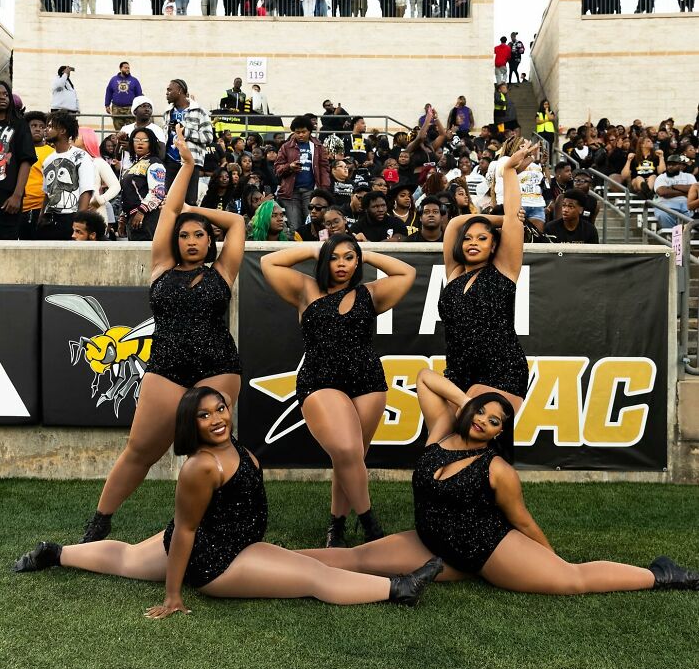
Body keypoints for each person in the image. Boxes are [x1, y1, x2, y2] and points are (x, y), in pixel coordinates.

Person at [15, 386, 443, 612]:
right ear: (192, 424)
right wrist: (172, 595)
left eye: (220, 409)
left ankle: (56, 553)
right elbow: (185, 531)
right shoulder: (201, 467)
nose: (217, 419)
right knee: (313, 576)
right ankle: (399, 589)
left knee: (126, 558)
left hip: (233, 543)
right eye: (204, 415)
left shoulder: (234, 446)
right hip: (217, 563)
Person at [298, 370, 699, 595]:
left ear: (498, 433)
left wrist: (550, 558)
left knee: (572, 580)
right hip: (430, 542)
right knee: (357, 558)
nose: (482, 421)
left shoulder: (497, 468)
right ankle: (285, 561)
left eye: (493, 421)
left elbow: (521, 520)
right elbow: (426, 378)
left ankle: (662, 575)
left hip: (485, 551)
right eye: (480, 413)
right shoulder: (440, 434)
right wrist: (468, 401)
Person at [76, 126, 246, 543]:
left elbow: (237, 222)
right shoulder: (161, 267)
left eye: (199, 235)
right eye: (184, 235)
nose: (191, 240)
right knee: (141, 449)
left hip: (218, 366)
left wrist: (195, 210)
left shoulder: (223, 271)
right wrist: (186, 166)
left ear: (209, 241)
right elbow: (168, 213)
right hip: (166, 365)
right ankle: (100, 521)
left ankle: (218, 526)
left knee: (212, 452)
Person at [261, 236, 416, 546]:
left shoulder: (370, 293)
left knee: (352, 457)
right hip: (320, 380)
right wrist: (314, 249)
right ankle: (371, 527)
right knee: (345, 450)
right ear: (324, 261)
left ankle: (337, 526)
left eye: (348, 257)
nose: (341, 264)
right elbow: (268, 262)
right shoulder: (306, 289)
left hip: (367, 381)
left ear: (357, 262)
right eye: (334, 257)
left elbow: (407, 273)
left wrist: (365, 253)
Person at [439, 137, 535, 413]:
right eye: (468, 238)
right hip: (458, 373)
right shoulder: (454, 274)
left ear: (494, 246)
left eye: (482, 238)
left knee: (472, 435)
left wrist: (508, 170)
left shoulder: (503, 270)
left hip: (501, 371)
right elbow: (456, 224)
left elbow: (514, 218)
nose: (473, 242)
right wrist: (496, 221)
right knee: (446, 438)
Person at [36, 111, 94, 240]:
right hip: (49, 218)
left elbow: (86, 191)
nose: (46, 130)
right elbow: (47, 192)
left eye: (50, 126)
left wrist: (79, 222)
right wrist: (42, 215)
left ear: (62, 130)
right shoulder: (48, 160)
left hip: (71, 217)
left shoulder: (81, 156)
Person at [163, 78, 215, 206]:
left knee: (189, 202)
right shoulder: (167, 112)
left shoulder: (199, 111)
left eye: (169, 90)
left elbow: (208, 137)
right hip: (170, 161)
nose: (167, 93)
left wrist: (186, 132)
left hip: (191, 162)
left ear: (179, 90)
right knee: (169, 202)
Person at [275, 115, 330, 233]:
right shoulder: (285, 147)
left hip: (311, 192)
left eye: (303, 132)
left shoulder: (318, 146)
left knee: (313, 225)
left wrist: (324, 190)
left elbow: (324, 168)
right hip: (291, 193)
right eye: (297, 132)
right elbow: (277, 169)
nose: (300, 135)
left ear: (309, 131)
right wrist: (289, 167)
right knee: (295, 227)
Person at [0, 81, 37, 240]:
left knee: (6, 247)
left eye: (5, 94)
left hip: (8, 199)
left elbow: (26, 161)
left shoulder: (19, 125)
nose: (2, 97)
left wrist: (17, 195)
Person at [118, 128, 167, 240]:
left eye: (145, 140)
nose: (140, 143)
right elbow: (128, 193)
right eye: (136, 140)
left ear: (151, 143)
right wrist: (123, 216)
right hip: (132, 218)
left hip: (147, 218)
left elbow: (158, 192)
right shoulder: (134, 165)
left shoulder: (155, 164)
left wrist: (141, 212)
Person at [19, 110, 54, 239]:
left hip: (41, 207)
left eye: (42, 126)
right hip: (19, 206)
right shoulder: (19, 149)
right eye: (33, 126)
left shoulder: (52, 152)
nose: (38, 129)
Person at [75, 127, 120, 226]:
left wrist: (99, 201)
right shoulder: (70, 161)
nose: (72, 137)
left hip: (94, 212)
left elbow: (116, 186)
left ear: (86, 139)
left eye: (77, 135)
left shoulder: (98, 162)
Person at [118, 96, 166, 172]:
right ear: (135, 111)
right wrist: (119, 142)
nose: (147, 109)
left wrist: (131, 148)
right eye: (143, 106)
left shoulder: (157, 130)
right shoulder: (125, 129)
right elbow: (117, 156)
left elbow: (161, 155)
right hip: (127, 170)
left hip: (146, 171)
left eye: (150, 107)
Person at [652, 155, 696, 230]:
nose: (670, 167)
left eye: (673, 165)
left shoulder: (689, 176)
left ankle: (683, 235)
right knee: (662, 214)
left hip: (686, 207)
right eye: (669, 164)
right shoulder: (661, 177)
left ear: (681, 166)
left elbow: (694, 190)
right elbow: (662, 192)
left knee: (689, 220)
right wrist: (685, 192)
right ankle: (671, 235)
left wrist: (673, 186)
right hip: (665, 206)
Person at [104, 61, 143, 132]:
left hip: (130, 108)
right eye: (125, 68)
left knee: (131, 130)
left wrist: (139, 107)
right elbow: (109, 92)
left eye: (128, 68)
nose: (127, 69)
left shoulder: (134, 81)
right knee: (118, 131)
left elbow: (139, 95)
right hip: (116, 108)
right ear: (120, 68)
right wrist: (107, 105)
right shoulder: (113, 80)